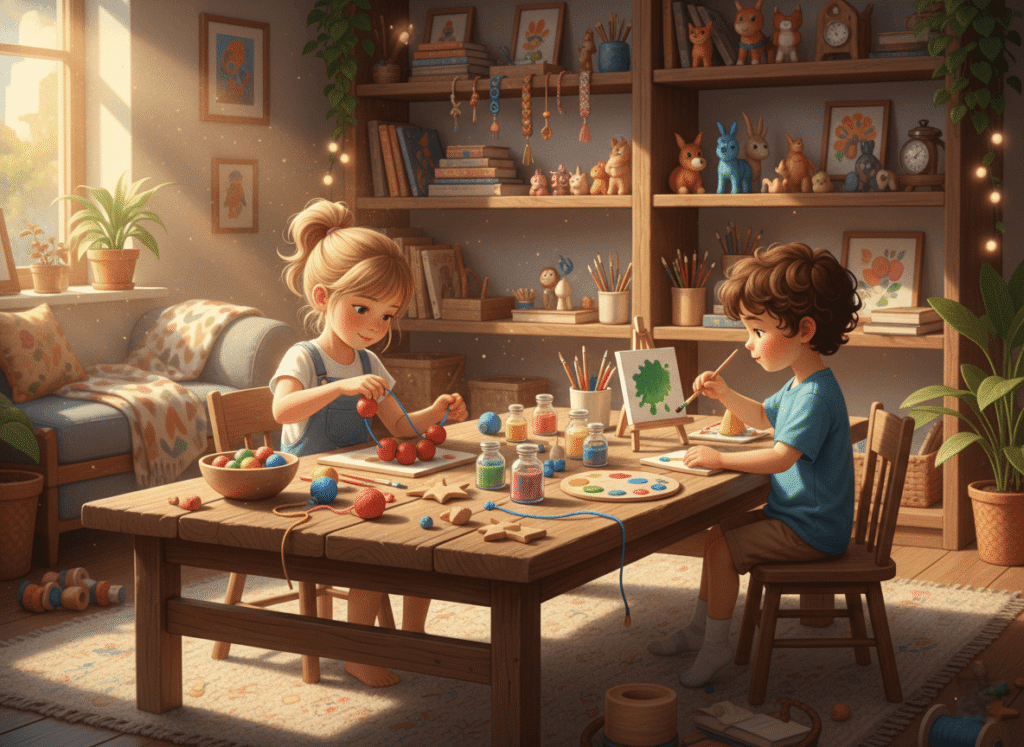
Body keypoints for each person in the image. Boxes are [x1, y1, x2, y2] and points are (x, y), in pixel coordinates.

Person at [271, 198, 468, 687]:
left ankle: (412, 638)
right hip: (306, 489)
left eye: (387, 315)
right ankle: (359, 651)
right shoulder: (305, 358)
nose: (375, 326)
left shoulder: (367, 364)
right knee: (375, 548)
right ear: (322, 298)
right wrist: (337, 388)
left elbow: (402, 426)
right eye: (362, 309)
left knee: (421, 532)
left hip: (357, 480)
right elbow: (281, 411)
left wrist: (436, 411)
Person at [647, 242, 861, 688]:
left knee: (724, 551)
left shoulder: (817, 395)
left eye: (757, 331)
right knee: (716, 537)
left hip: (815, 529)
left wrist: (721, 458)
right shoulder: (802, 383)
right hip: (800, 517)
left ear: (804, 329)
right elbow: (765, 417)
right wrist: (725, 394)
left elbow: (782, 456)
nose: (749, 344)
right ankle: (700, 629)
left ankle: (716, 645)